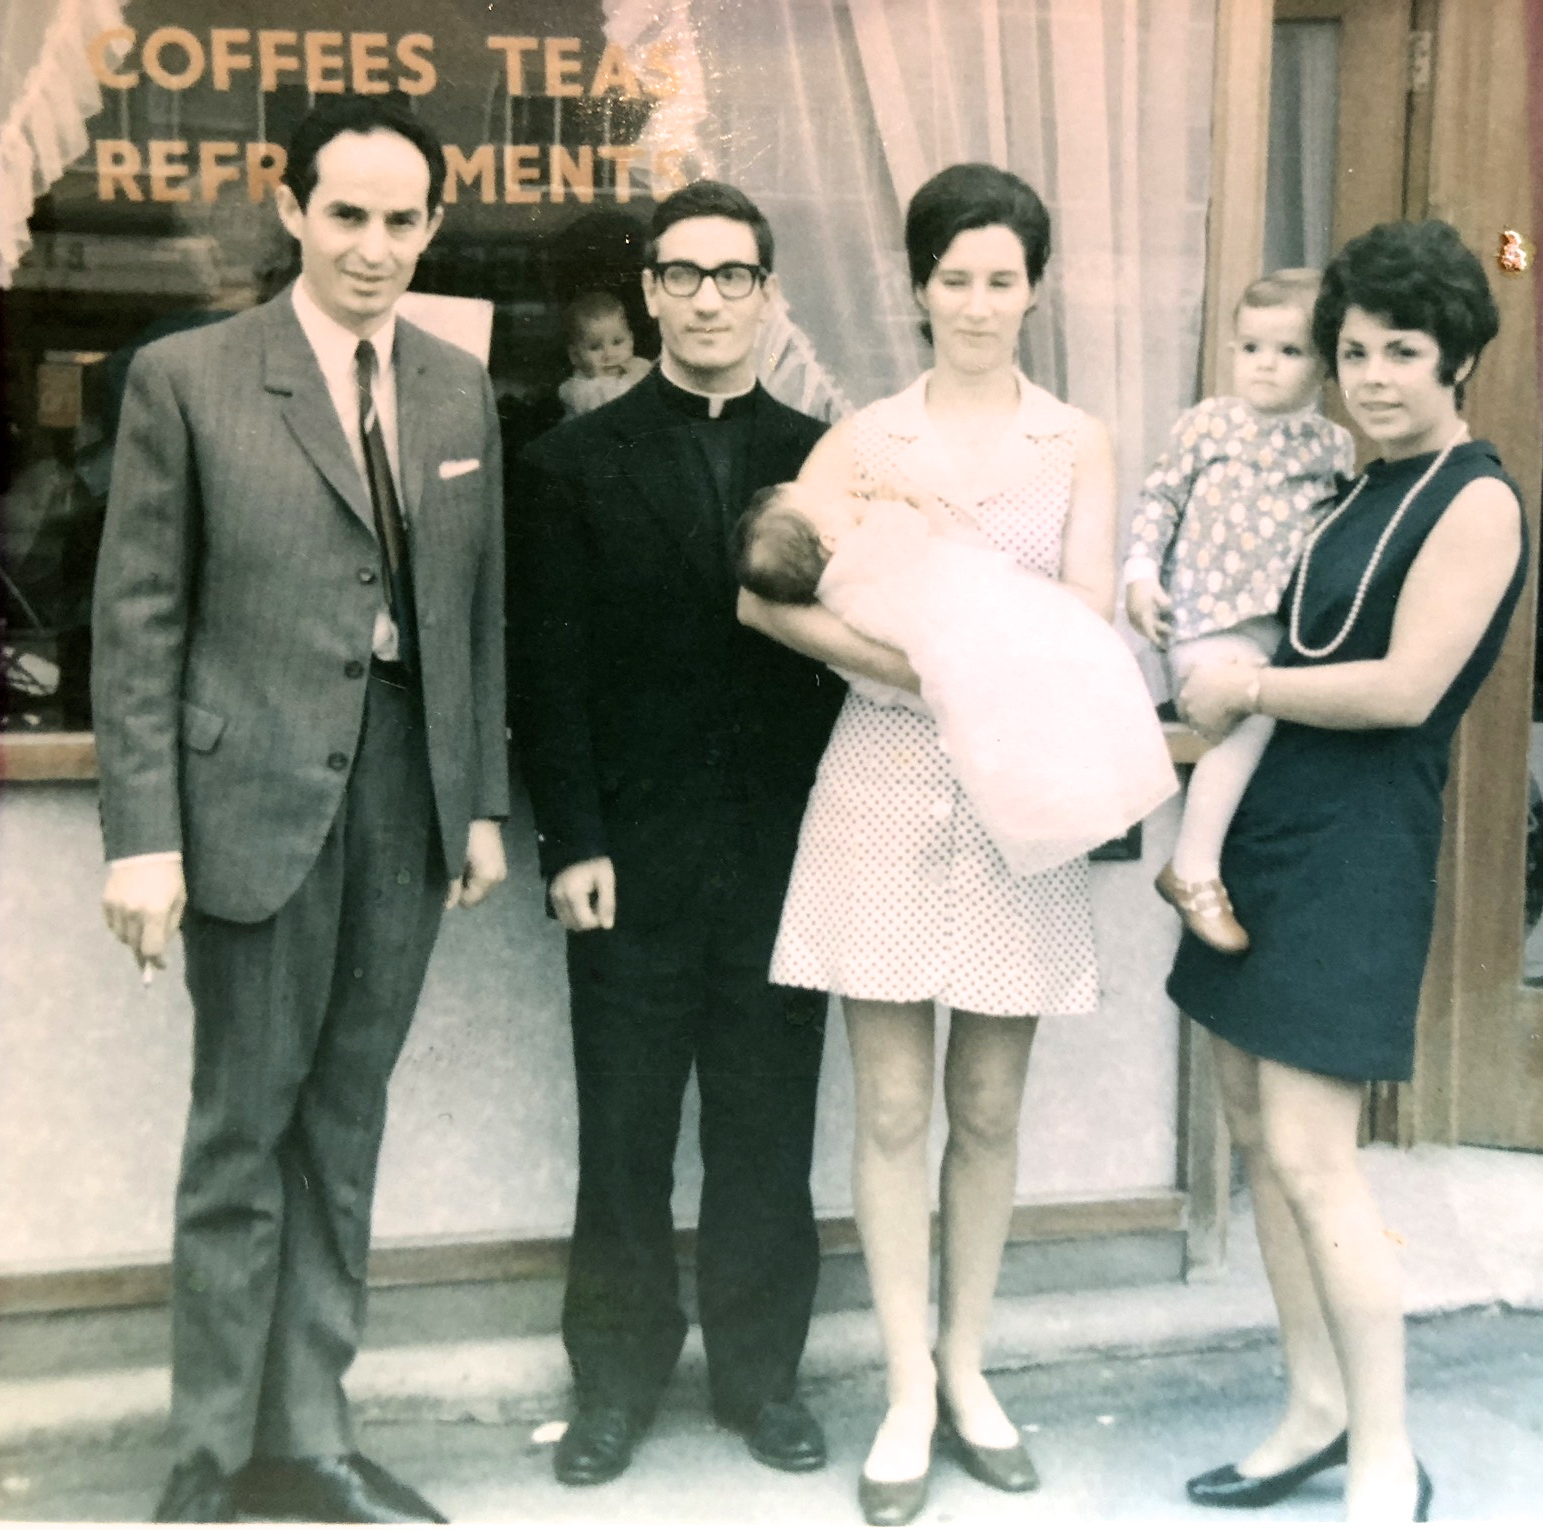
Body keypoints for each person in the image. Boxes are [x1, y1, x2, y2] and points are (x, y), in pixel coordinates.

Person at [91, 93, 509, 1524]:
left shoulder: (454, 386)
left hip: (404, 800)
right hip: (248, 804)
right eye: (346, 215)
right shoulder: (190, 377)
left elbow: (476, 610)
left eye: (401, 221)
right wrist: (144, 837)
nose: (373, 247)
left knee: (344, 1125)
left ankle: (311, 1437)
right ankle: (213, 1457)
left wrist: (478, 798)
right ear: (291, 209)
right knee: (241, 1133)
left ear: (432, 226)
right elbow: (136, 620)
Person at [739, 162, 1119, 1527]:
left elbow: (1086, 619)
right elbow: (764, 599)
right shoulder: (864, 441)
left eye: (1000, 279)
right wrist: (919, 668)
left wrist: (982, 647)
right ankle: (905, 1389)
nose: (975, 302)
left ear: (1034, 289)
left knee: (988, 1108)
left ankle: (967, 1369)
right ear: (915, 287)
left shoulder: (1073, 442)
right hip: (884, 784)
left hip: (1020, 796)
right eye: (952, 277)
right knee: (893, 1110)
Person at [1169, 220, 1525, 1523]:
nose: (1371, 377)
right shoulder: (1354, 486)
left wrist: (1246, 686)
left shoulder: (1473, 498)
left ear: (1458, 358)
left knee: (1314, 1157)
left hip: (1358, 850)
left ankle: (1383, 1450)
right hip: (1268, 832)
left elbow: (1405, 687)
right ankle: (1313, 1409)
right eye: (1356, 352)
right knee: (1258, 1142)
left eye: (1402, 352)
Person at [510, 180, 844, 1488]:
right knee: (624, 1136)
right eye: (684, 275)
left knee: (766, 1129)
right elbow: (547, 671)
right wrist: (572, 841)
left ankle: (762, 1379)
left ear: (767, 293)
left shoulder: (827, 460)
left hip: (782, 858)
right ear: (649, 292)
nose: (709, 299)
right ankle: (613, 1383)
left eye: (734, 275)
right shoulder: (570, 463)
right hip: (630, 861)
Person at [736, 483, 1175, 876]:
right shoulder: (863, 556)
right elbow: (910, 536)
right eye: (830, 500)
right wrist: (894, 505)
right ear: (830, 540)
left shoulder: (836, 590)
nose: (845, 494)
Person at [1125, 270, 1355, 952]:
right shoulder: (1209, 424)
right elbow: (1159, 500)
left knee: (1278, 719)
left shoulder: (1331, 446)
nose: (1265, 364)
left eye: (1289, 351)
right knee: (1250, 717)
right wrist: (1140, 574)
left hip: (1278, 633)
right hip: (1205, 622)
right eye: (1251, 347)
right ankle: (1193, 868)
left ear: (1323, 366)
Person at [556, 290, 653, 416]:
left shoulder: (637, 367)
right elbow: (615, 406)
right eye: (595, 347)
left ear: (631, 341)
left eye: (617, 342)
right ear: (575, 356)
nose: (609, 355)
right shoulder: (580, 391)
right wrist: (640, 378)